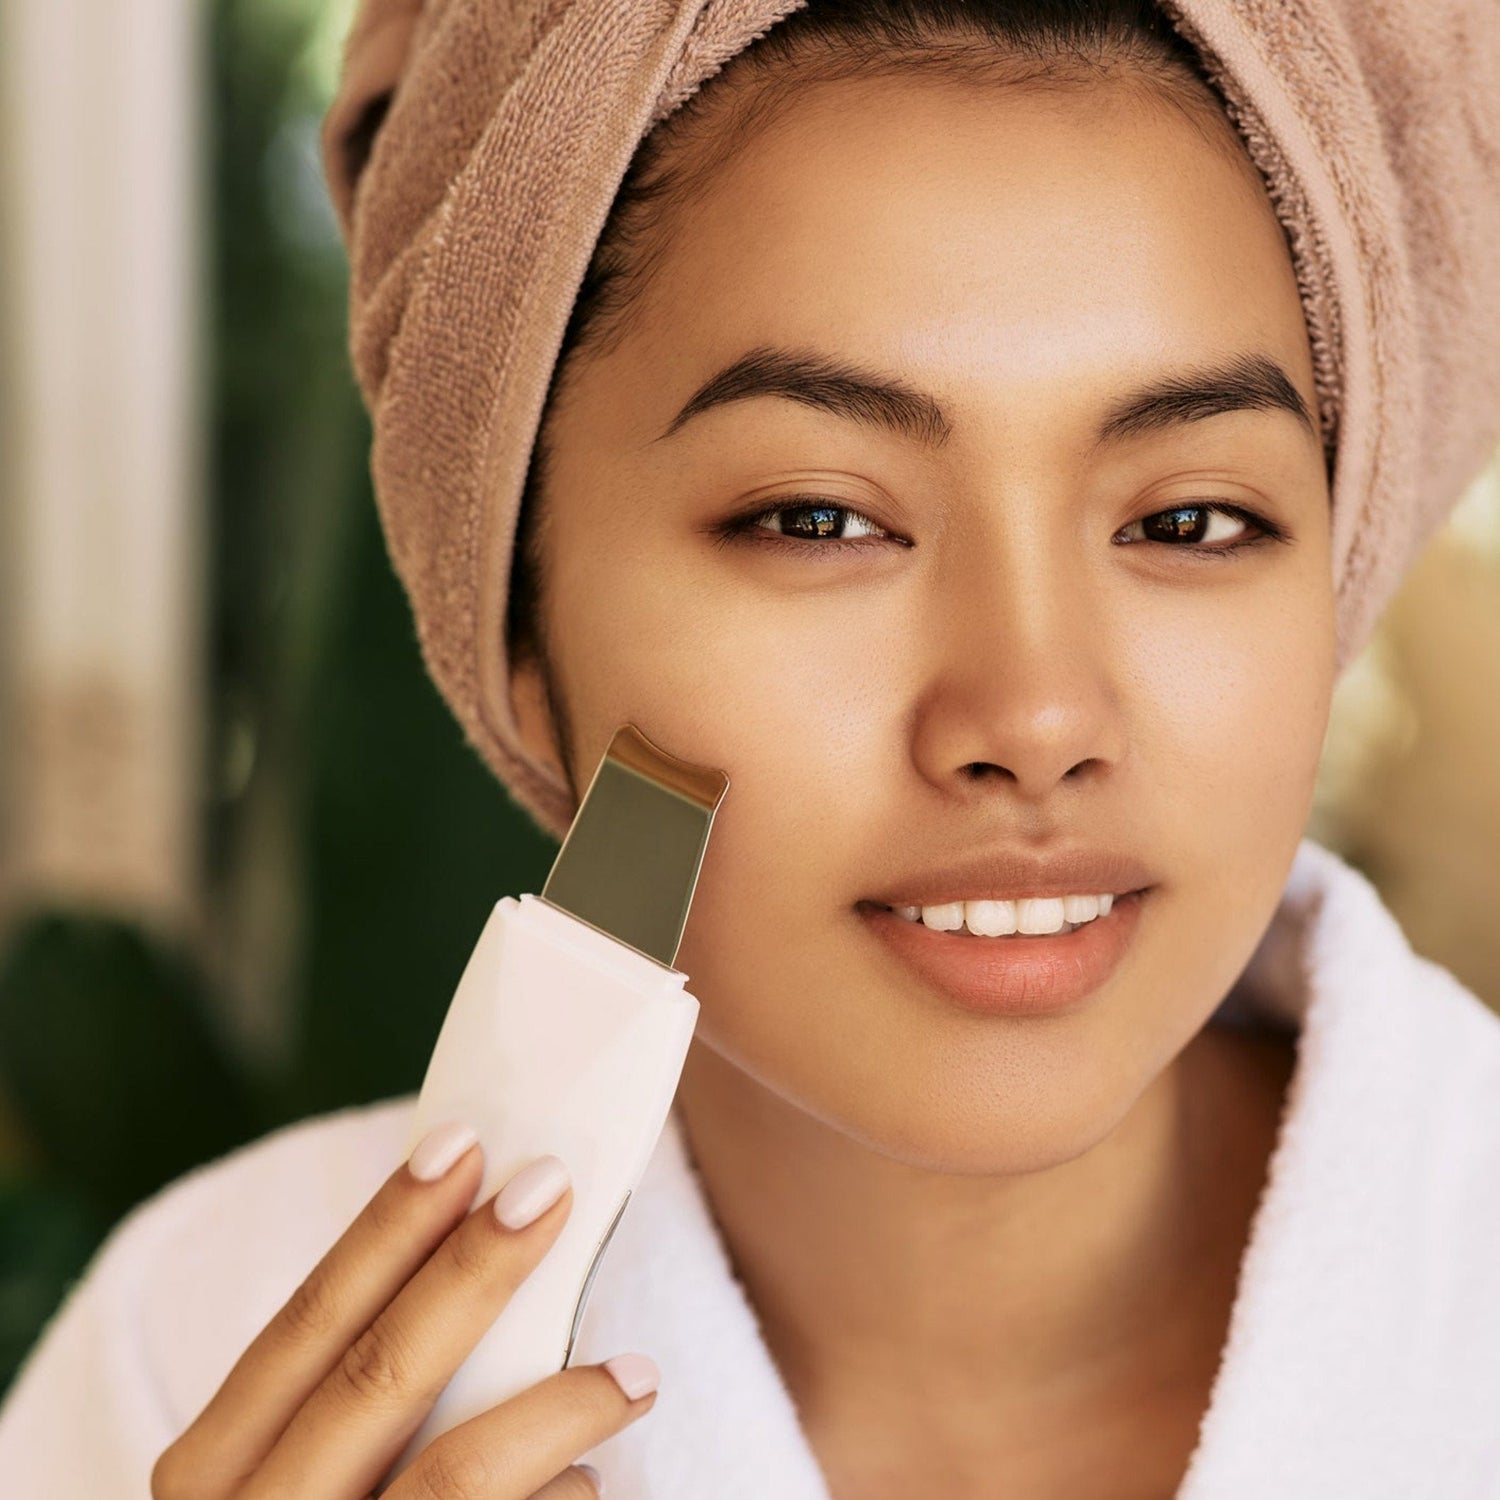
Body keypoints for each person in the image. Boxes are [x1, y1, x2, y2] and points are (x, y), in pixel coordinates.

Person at [3, 1, 1500, 1495]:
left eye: (1190, 520)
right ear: (514, 626)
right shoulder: (183, 1356)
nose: (1036, 719)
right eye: (818, 520)